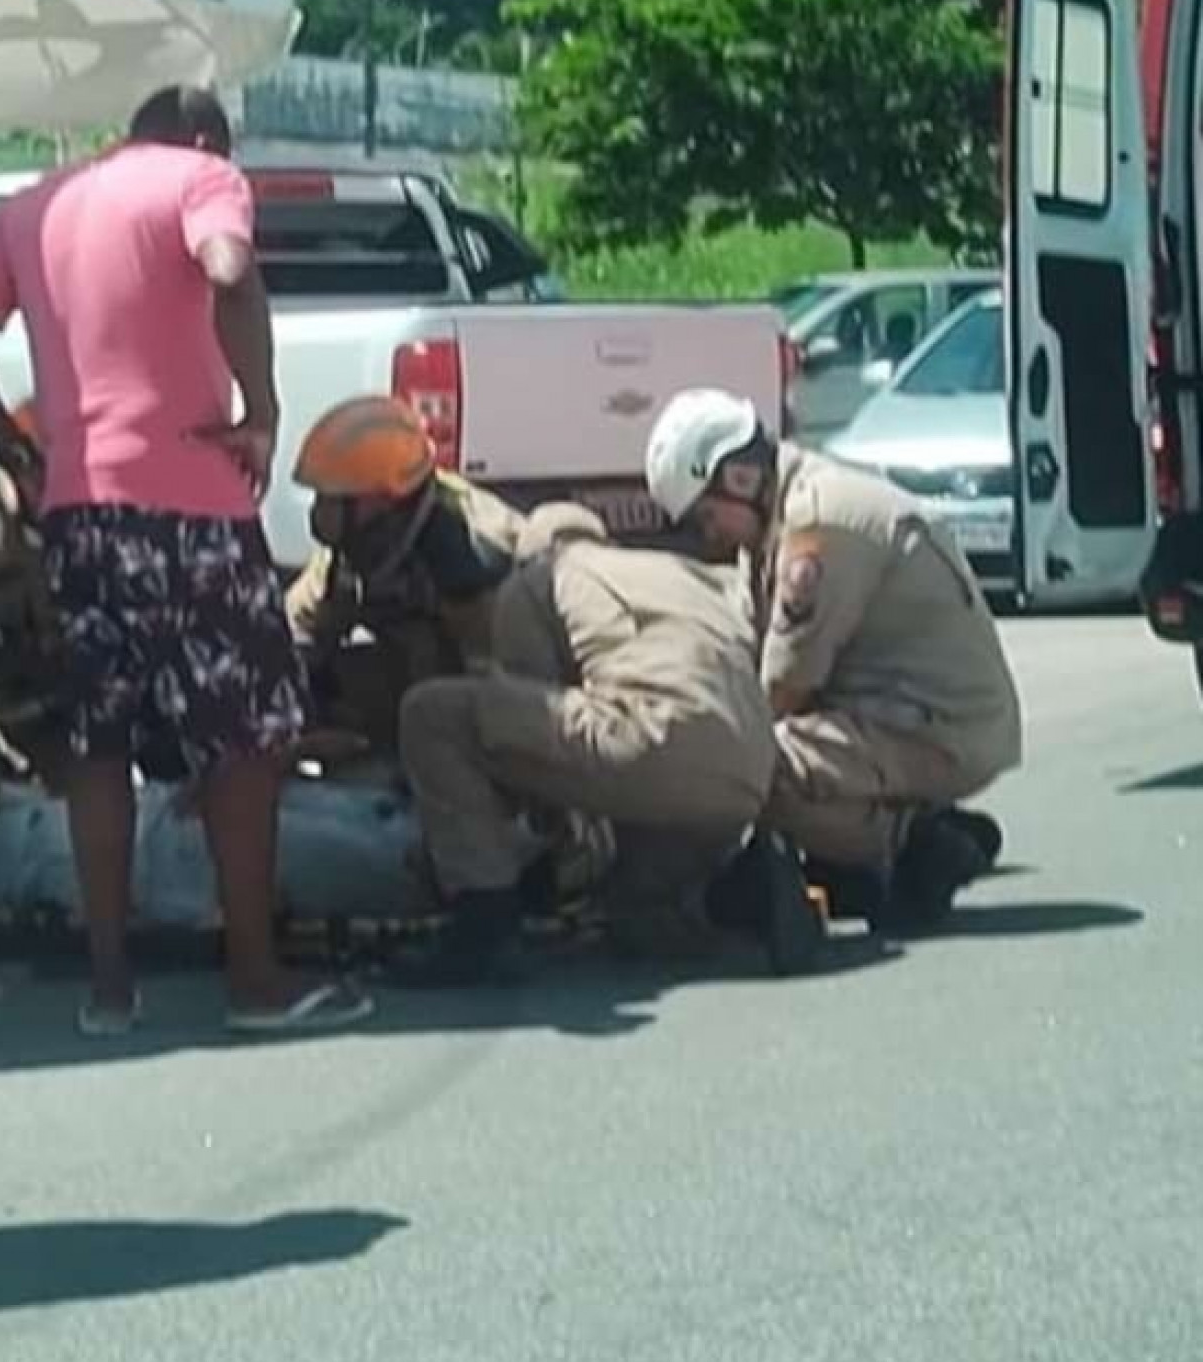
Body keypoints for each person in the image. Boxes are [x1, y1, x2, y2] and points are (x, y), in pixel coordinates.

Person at [0, 84, 371, 1038]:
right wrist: (259, 410)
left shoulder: (35, 205)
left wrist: (15, 450)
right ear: (209, 140)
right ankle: (255, 982)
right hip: (196, 508)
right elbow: (230, 269)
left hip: (80, 514)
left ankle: (109, 988)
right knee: (244, 742)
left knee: (98, 746)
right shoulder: (204, 178)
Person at [392, 503, 818, 984]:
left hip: (654, 739)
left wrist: (493, 839)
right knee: (632, 909)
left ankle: (482, 924)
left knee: (432, 714)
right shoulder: (685, 573)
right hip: (748, 773)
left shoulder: (539, 580)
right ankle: (742, 888)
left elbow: (529, 739)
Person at [643, 389, 1023, 928]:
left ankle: (911, 845)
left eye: (705, 518)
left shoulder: (819, 523)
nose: (708, 537)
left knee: (748, 769)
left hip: (940, 727)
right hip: (908, 714)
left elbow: (784, 686)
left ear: (739, 479)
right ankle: (871, 852)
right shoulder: (785, 517)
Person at [286, 396, 526, 755]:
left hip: (488, 698)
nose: (319, 512)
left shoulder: (469, 555)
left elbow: (502, 680)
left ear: (380, 497)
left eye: (331, 499)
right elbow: (299, 626)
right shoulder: (357, 546)